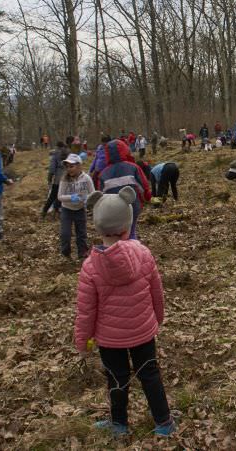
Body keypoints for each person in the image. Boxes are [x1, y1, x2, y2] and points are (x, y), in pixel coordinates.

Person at [75, 186, 176, 438]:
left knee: (116, 378)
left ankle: (119, 424)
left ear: (97, 226)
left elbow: (86, 311)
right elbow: (156, 290)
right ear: (127, 224)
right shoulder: (143, 253)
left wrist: (82, 343)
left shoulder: (90, 267)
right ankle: (164, 421)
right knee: (149, 374)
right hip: (143, 330)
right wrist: (158, 317)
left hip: (110, 339)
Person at [98, 139, 152, 240]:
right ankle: (132, 252)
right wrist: (147, 197)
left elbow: (101, 195)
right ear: (125, 150)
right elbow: (143, 186)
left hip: (113, 210)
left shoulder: (104, 173)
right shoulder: (133, 167)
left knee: (116, 234)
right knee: (130, 232)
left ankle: (118, 251)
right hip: (132, 206)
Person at [57, 154, 95, 259]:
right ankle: (66, 252)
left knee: (81, 233)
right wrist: (71, 197)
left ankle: (82, 253)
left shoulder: (86, 178)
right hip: (66, 210)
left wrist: (87, 199)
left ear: (79, 166)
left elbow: (93, 193)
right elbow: (60, 196)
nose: (69, 169)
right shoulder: (64, 179)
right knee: (65, 233)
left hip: (80, 209)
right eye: (67, 167)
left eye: (72, 166)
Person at [42, 141, 69, 219]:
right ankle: (59, 212)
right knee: (63, 195)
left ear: (57, 146)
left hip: (58, 178)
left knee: (53, 196)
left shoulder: (56, 154)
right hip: (68, 177)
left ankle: (44, 211)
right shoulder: (68, 153)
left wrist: (49, 179)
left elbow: (52, 169)